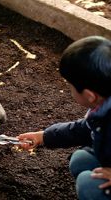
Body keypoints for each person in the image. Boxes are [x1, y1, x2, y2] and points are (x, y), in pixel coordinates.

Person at [17, 36, 111, 200]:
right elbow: (82, 129)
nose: (69, 89)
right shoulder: (102, 109)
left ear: (90, 96)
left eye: (70, 86)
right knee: (80, 160)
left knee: (87, 184)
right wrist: (44, 136)